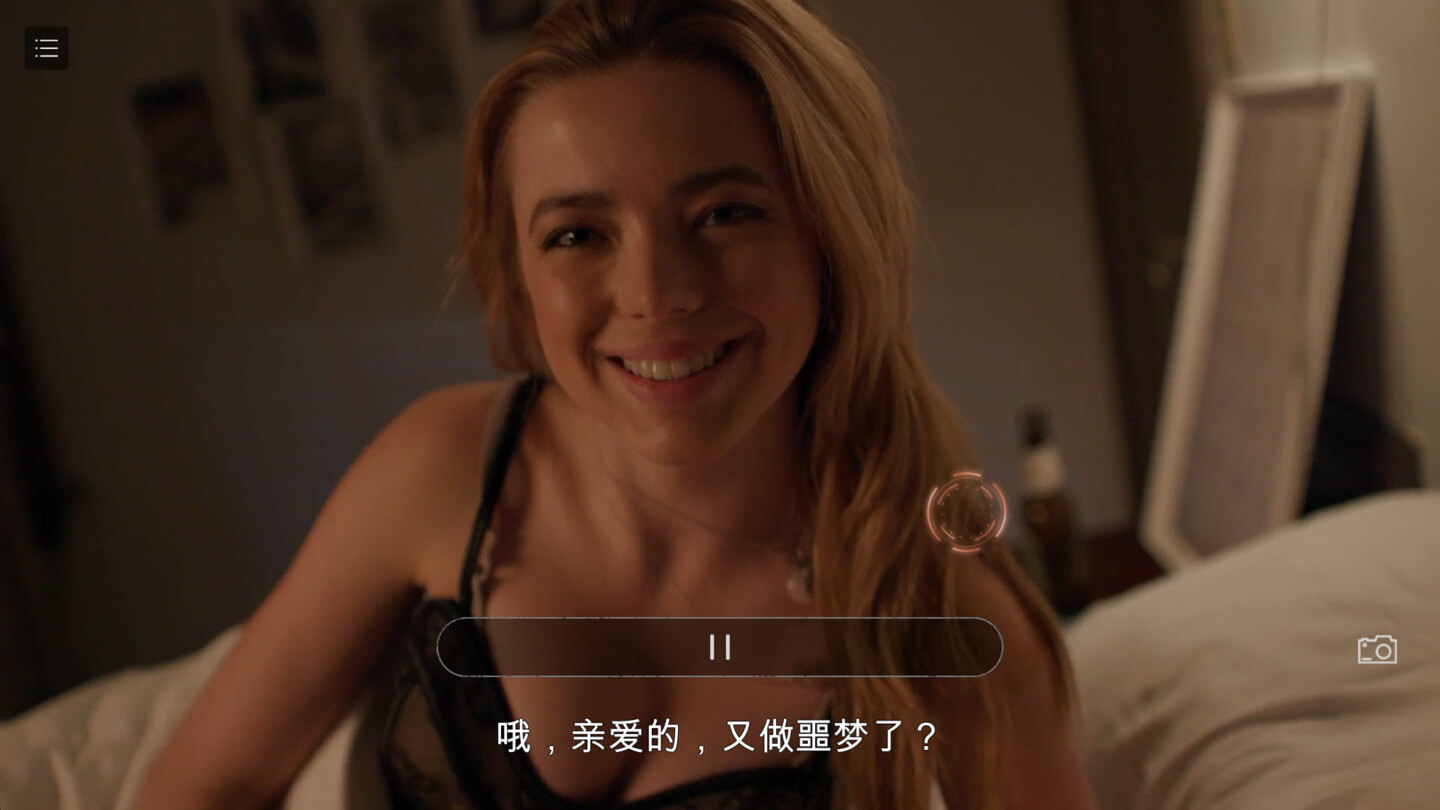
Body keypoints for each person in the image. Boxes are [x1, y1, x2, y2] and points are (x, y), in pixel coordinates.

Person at [135, 0, 1097, 808]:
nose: (654, 295)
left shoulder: (947, 615)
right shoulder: (442, 467)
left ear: (832, 237)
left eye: (724, 213)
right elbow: (193, 792)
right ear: (519, 272)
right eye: (578, 234)